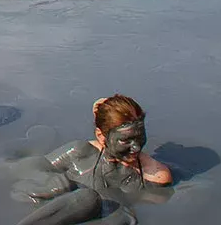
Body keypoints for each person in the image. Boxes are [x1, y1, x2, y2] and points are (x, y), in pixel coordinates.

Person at [9, 95, 173, 225]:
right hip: (53, 213)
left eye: (140, 137)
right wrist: (47, 178)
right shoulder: (81, 152)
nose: (136, 147)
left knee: (121, 216)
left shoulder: (152, 174)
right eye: (126, 141)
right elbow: (25, 167)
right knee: (87, 198)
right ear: (101, 136)